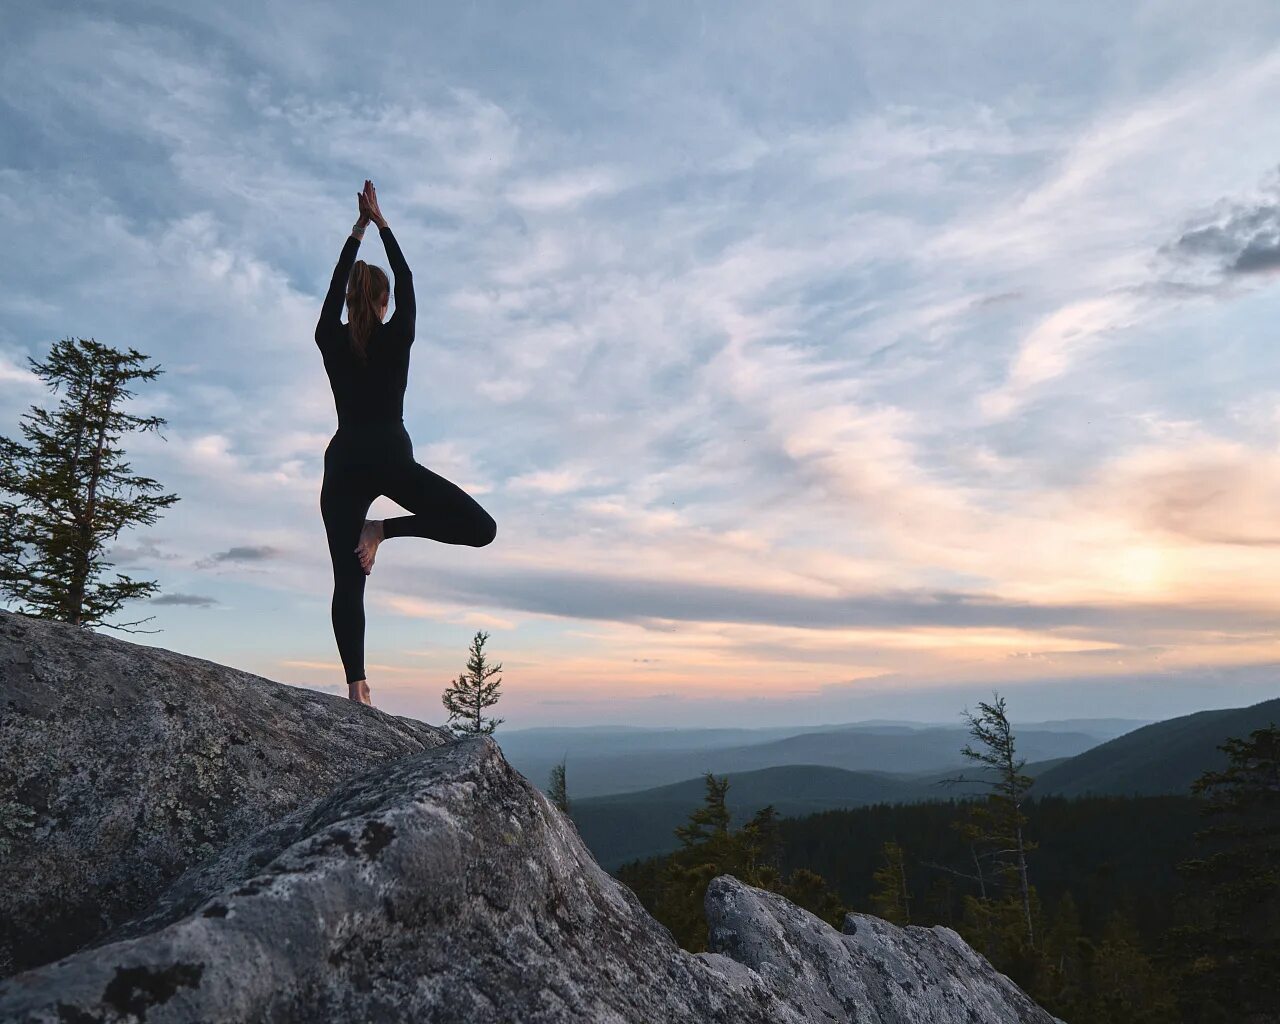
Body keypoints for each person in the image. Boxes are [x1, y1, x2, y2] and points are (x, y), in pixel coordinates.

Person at [316, 180, 497, 706]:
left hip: (345, 462)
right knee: (480, 528)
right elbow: (410, 280)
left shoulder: (329, 338)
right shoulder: (399, 337)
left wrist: (355, 234)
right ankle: (384, 531)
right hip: (392, 458)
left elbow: (331, 301)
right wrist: (382, 224)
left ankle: (357, 686)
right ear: (383, 300)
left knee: (348, 578)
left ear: (352, 301)